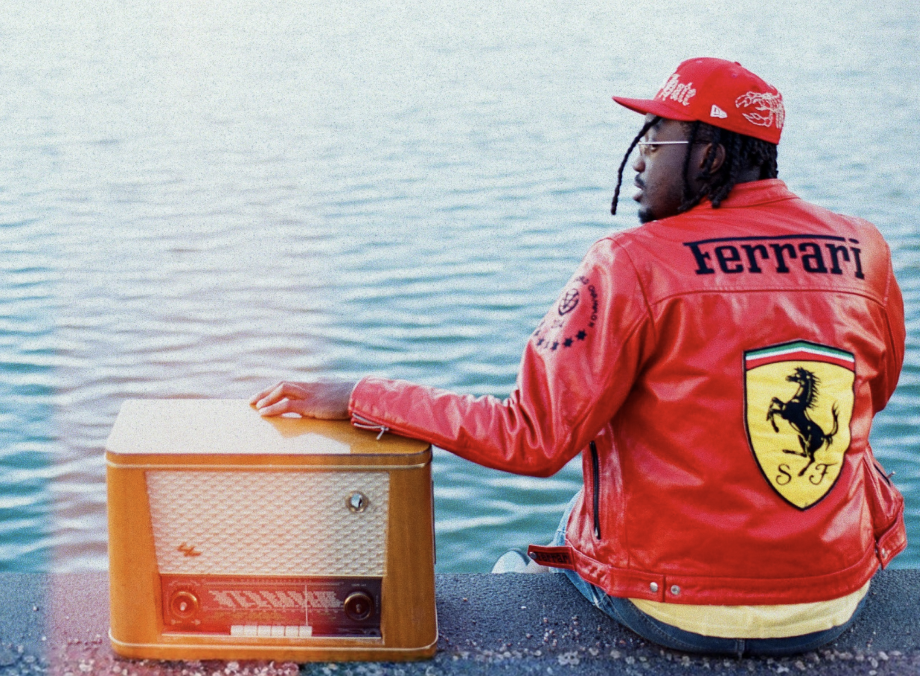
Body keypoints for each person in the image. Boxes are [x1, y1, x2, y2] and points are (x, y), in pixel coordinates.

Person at [251, 58, 906, 657]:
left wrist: (362, 395)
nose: (639, 163)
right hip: (831, 596)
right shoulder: (864, 250)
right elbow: (872, 393)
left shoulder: (633, 264)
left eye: (654, 141)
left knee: (526, 559)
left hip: (675, 606)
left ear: (710, 154)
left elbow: (530, 440)